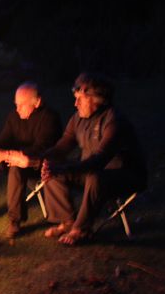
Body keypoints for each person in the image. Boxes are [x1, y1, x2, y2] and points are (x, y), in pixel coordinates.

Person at [41, 72, 147, 245]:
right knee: (53, 172)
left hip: (126, 175)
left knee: (94, 177)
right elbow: (62, 147)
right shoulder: (78, 119)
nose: (75, 104)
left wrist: (64, 168)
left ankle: (81, 230)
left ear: (96, 99)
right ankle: (67, 221)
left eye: (80, 99)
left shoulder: (114, 121)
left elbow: (99, 160)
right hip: (92, 173)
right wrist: (35, 158)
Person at [0, 82, 62, 238]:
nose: (17, 109)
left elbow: (41, 149)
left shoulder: (49, 118)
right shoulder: (14, 116)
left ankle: (15, 221)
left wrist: (8, 155)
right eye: (16, 104)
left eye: (22, 105)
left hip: (39, 165)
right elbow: (3, 141)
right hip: (13, 159)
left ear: (37, 102)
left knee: (17, 167)